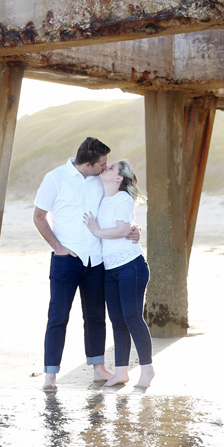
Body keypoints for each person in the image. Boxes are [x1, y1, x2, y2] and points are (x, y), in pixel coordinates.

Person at [32, 137, 138, 392]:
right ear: (88, 164)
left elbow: (117, 207)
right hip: (66, 259)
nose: (106, 167)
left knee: (95, 316)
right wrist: (58, 247)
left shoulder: (100, 179)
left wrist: (134, 229)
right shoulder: (55, 178)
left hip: (97, 259)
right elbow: (38, 217)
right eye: (102, 163)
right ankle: (50, 375)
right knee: (58, 317)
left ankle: (98, 368)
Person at [83, 160, 155, 388]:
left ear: (119, 178)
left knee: (133, 318)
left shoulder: (123, 198)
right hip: (110, 268)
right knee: (117, 321)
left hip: (130, 266)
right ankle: (121, 372)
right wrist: (135, 228)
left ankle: (147, 369)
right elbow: (127, 226)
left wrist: (97, 231)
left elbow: (123, 229)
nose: (106, 167)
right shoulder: (103, 198)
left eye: (112, 167)